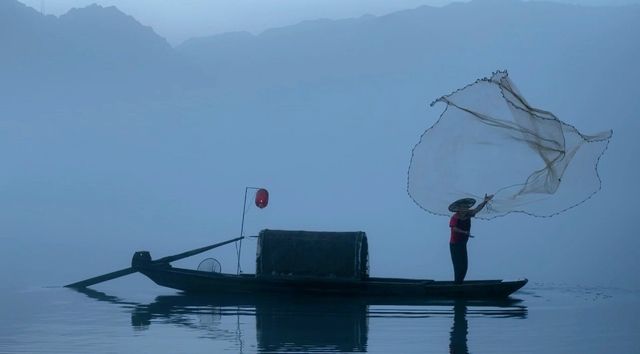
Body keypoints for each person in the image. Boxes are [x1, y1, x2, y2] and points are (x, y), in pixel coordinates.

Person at [448, 194, 493, 284]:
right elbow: (454, 228)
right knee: (458, 265)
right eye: (463, 207)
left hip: (463, 243)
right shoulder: (455, 217)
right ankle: (457, 284)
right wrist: (465, 232)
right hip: (455, 244)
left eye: (466, 207)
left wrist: (485, 201)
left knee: (464, 266)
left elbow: (477, 209)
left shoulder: (469, 214)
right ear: (459, 208)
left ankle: (459, 283)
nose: (465, 209)